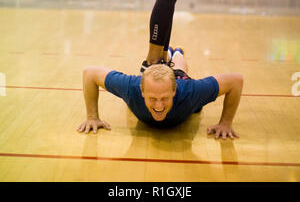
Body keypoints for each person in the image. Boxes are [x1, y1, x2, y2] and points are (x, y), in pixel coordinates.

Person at [77, 48, 243, 139]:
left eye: (165, 98)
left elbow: (235, 81)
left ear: (174, 91)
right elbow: (90, 73)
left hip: (179, 79)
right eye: (152, 98)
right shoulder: (131, 88)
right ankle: (168, 54)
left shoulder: (190, 92)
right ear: (142, 92)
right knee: (151, 72)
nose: (158, 105)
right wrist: (92, 117)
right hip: (149, 81)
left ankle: (176, 53)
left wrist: (225, 123)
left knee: (179, 70)